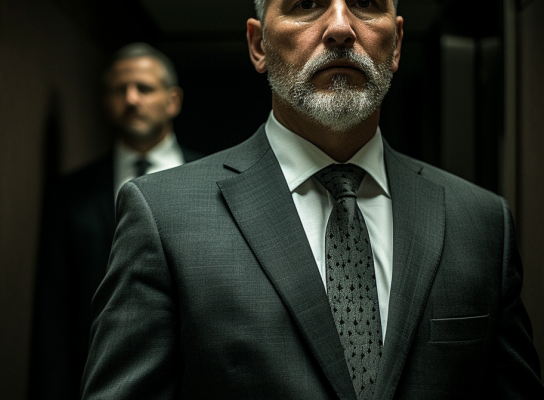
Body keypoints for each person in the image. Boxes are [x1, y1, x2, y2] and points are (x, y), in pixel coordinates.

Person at [81, 1, 544, 399]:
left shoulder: (481, 223)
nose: (341, 27)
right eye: (305, 4)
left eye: (365, 3)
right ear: (259, 44)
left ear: (397, 43)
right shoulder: (164, 217)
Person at [30, 43, 202, 399]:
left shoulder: (212, 180)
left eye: (144, 88)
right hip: (96, 376)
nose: (132, 99)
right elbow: (52, 311)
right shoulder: (69, 195)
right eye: (118, 90)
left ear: (173, 100)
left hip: (197, 375)